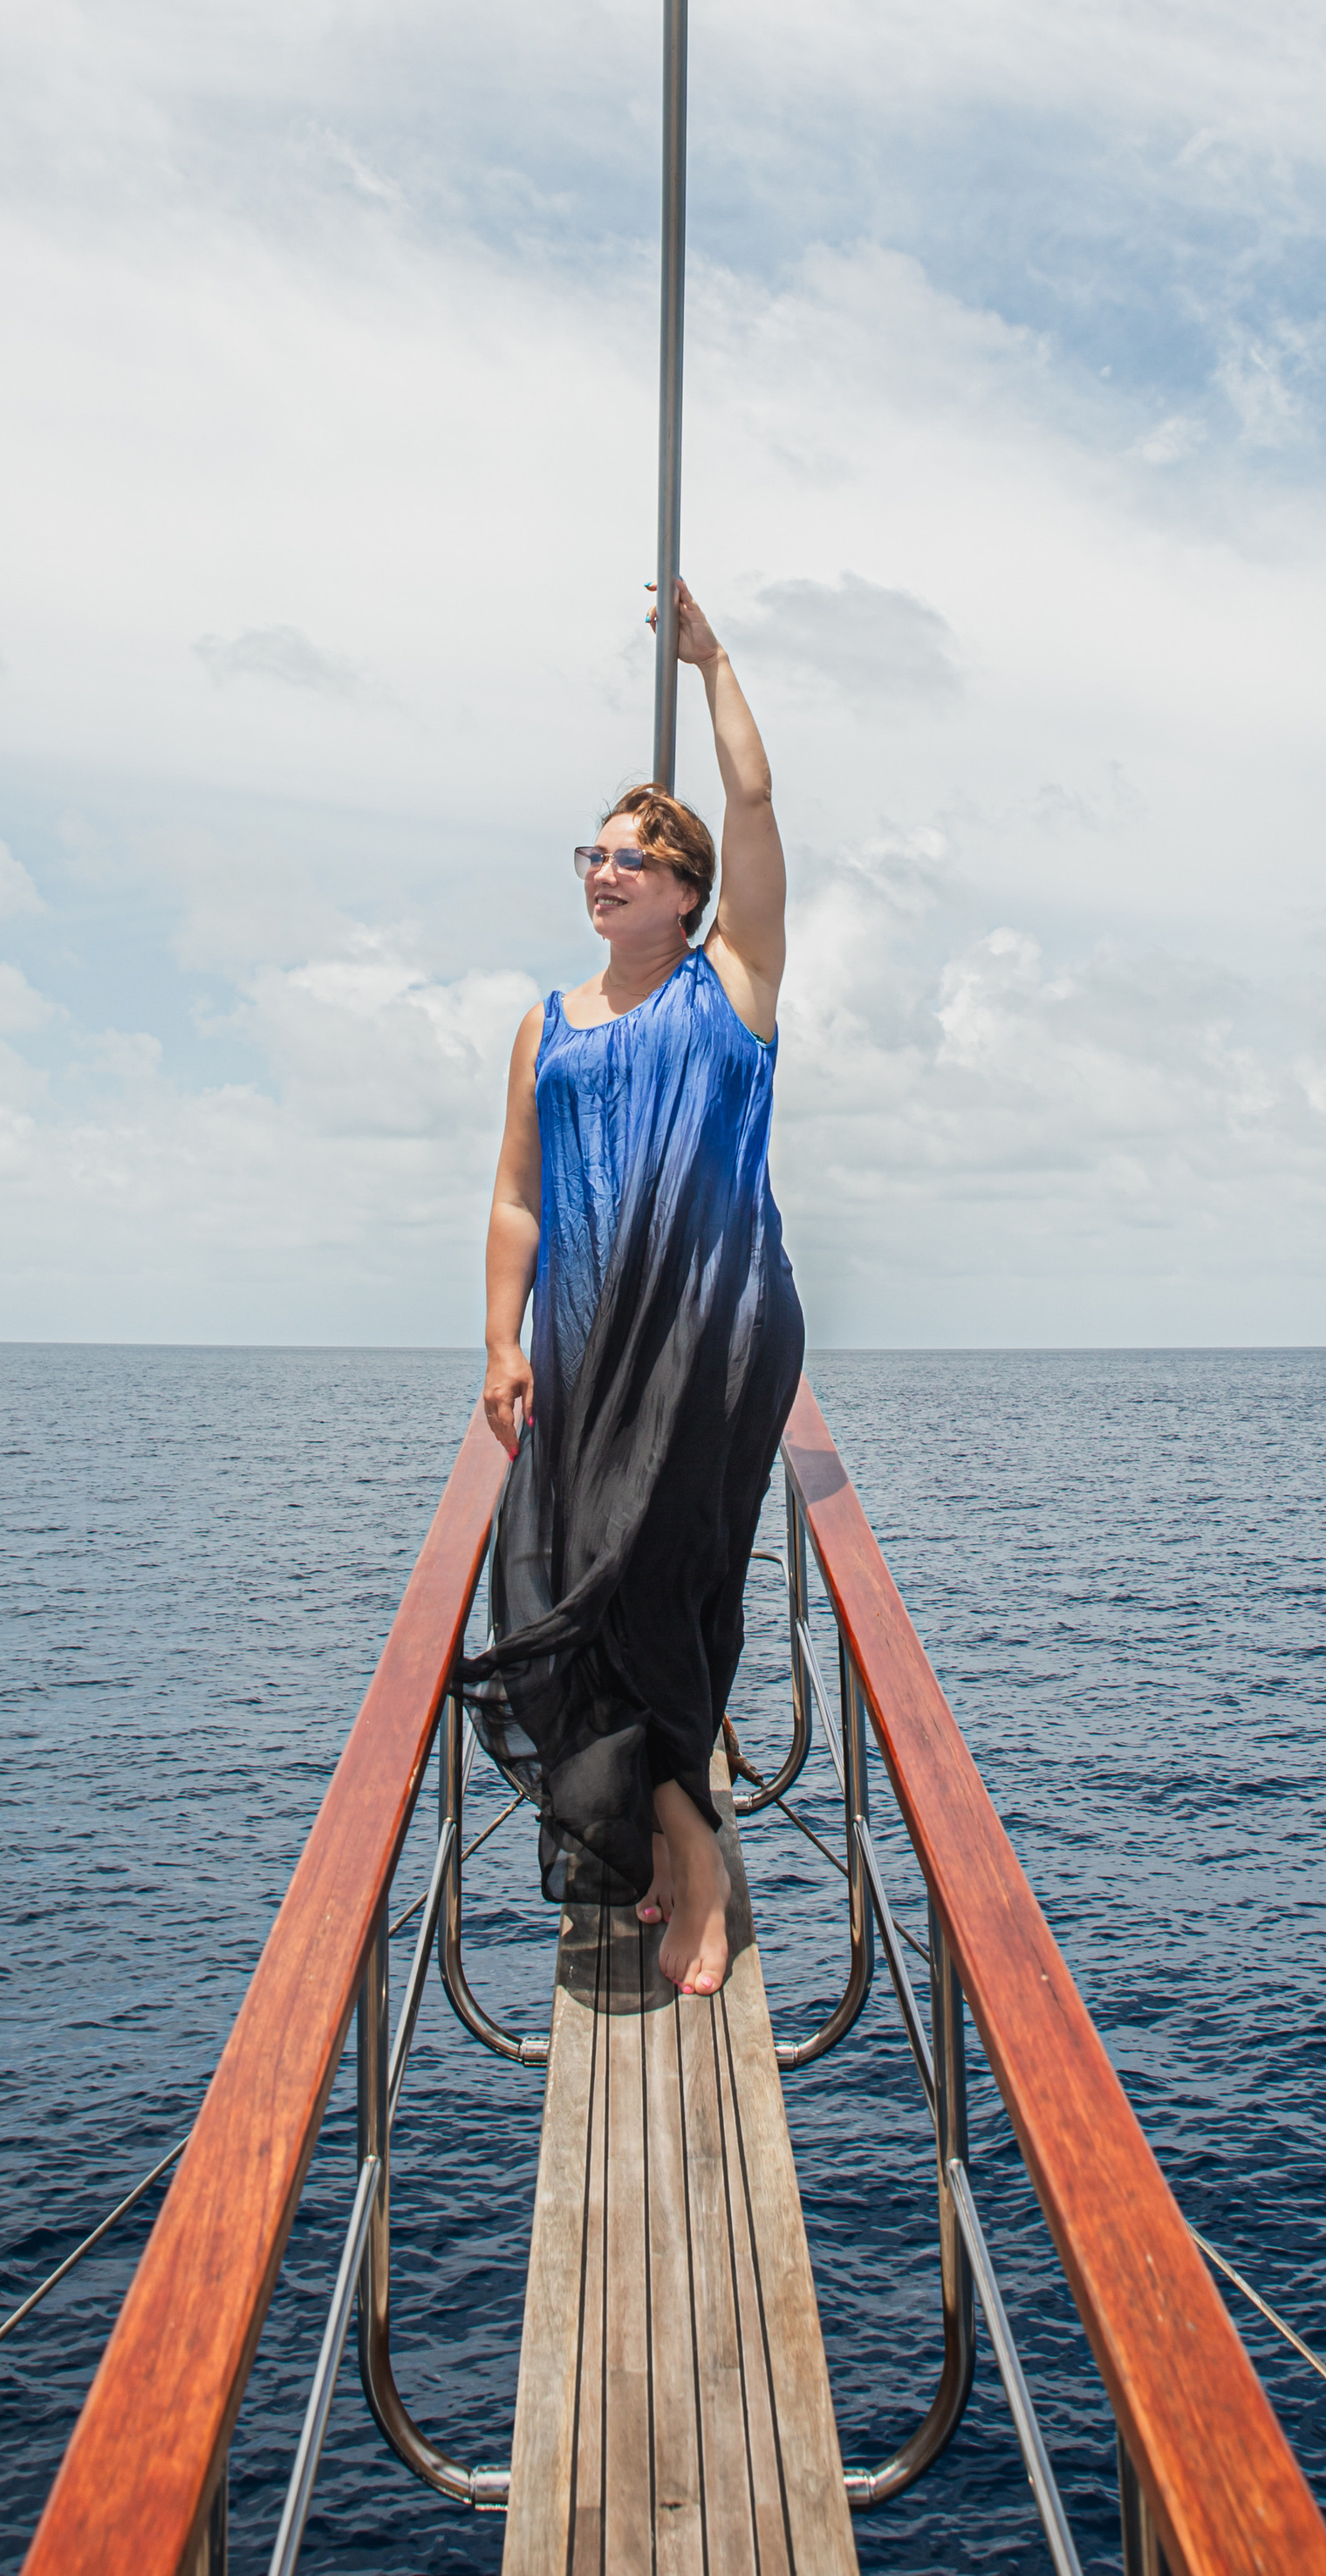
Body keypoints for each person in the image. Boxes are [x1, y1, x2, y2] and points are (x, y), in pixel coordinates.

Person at [461, 580, 803, 1997]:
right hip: (590, 1350)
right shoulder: (547, 1025)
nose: (604, 874)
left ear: (686, 892)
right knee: (592, 1585)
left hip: (717, 1339)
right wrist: (499, 1343)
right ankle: (679, 1830)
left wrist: (714, 661)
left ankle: (694, 1857)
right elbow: (517, 1198)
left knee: (660, 1579)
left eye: (634, 859)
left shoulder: (733, 987)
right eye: (593, 854)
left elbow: (761, 801)